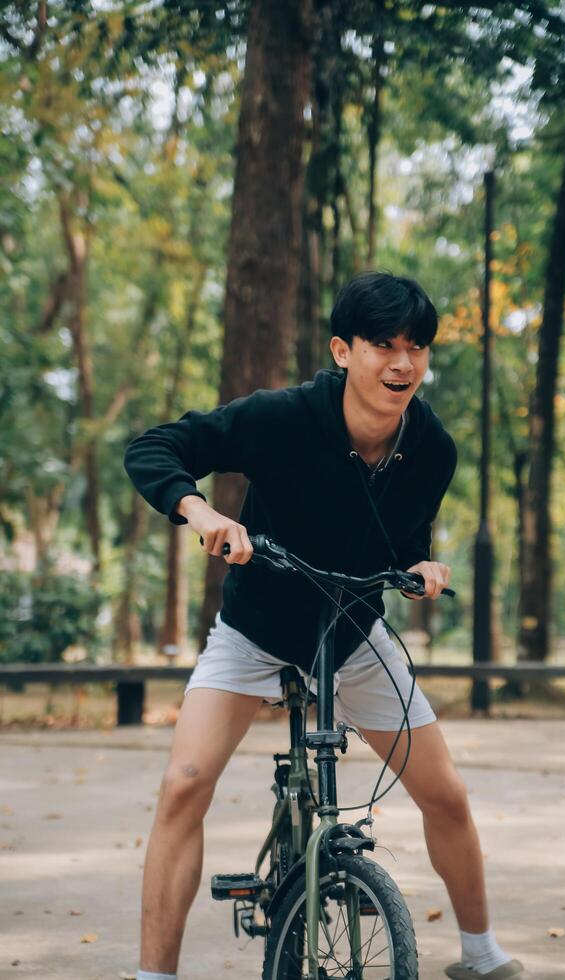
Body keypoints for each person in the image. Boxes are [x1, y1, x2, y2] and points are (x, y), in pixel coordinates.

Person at [124, 271, 524, 980]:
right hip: (256, 630)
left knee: (446, 794)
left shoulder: (432, 448)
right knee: (184, 783)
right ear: (344, 350)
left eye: (418, 348)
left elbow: (405, 535)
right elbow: (156, 447)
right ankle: (154, 975)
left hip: (353, 635)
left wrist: (423, 565)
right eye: (384, 345)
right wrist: (202, 511)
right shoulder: (282, 417)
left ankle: (481, 954)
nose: (404, 363)